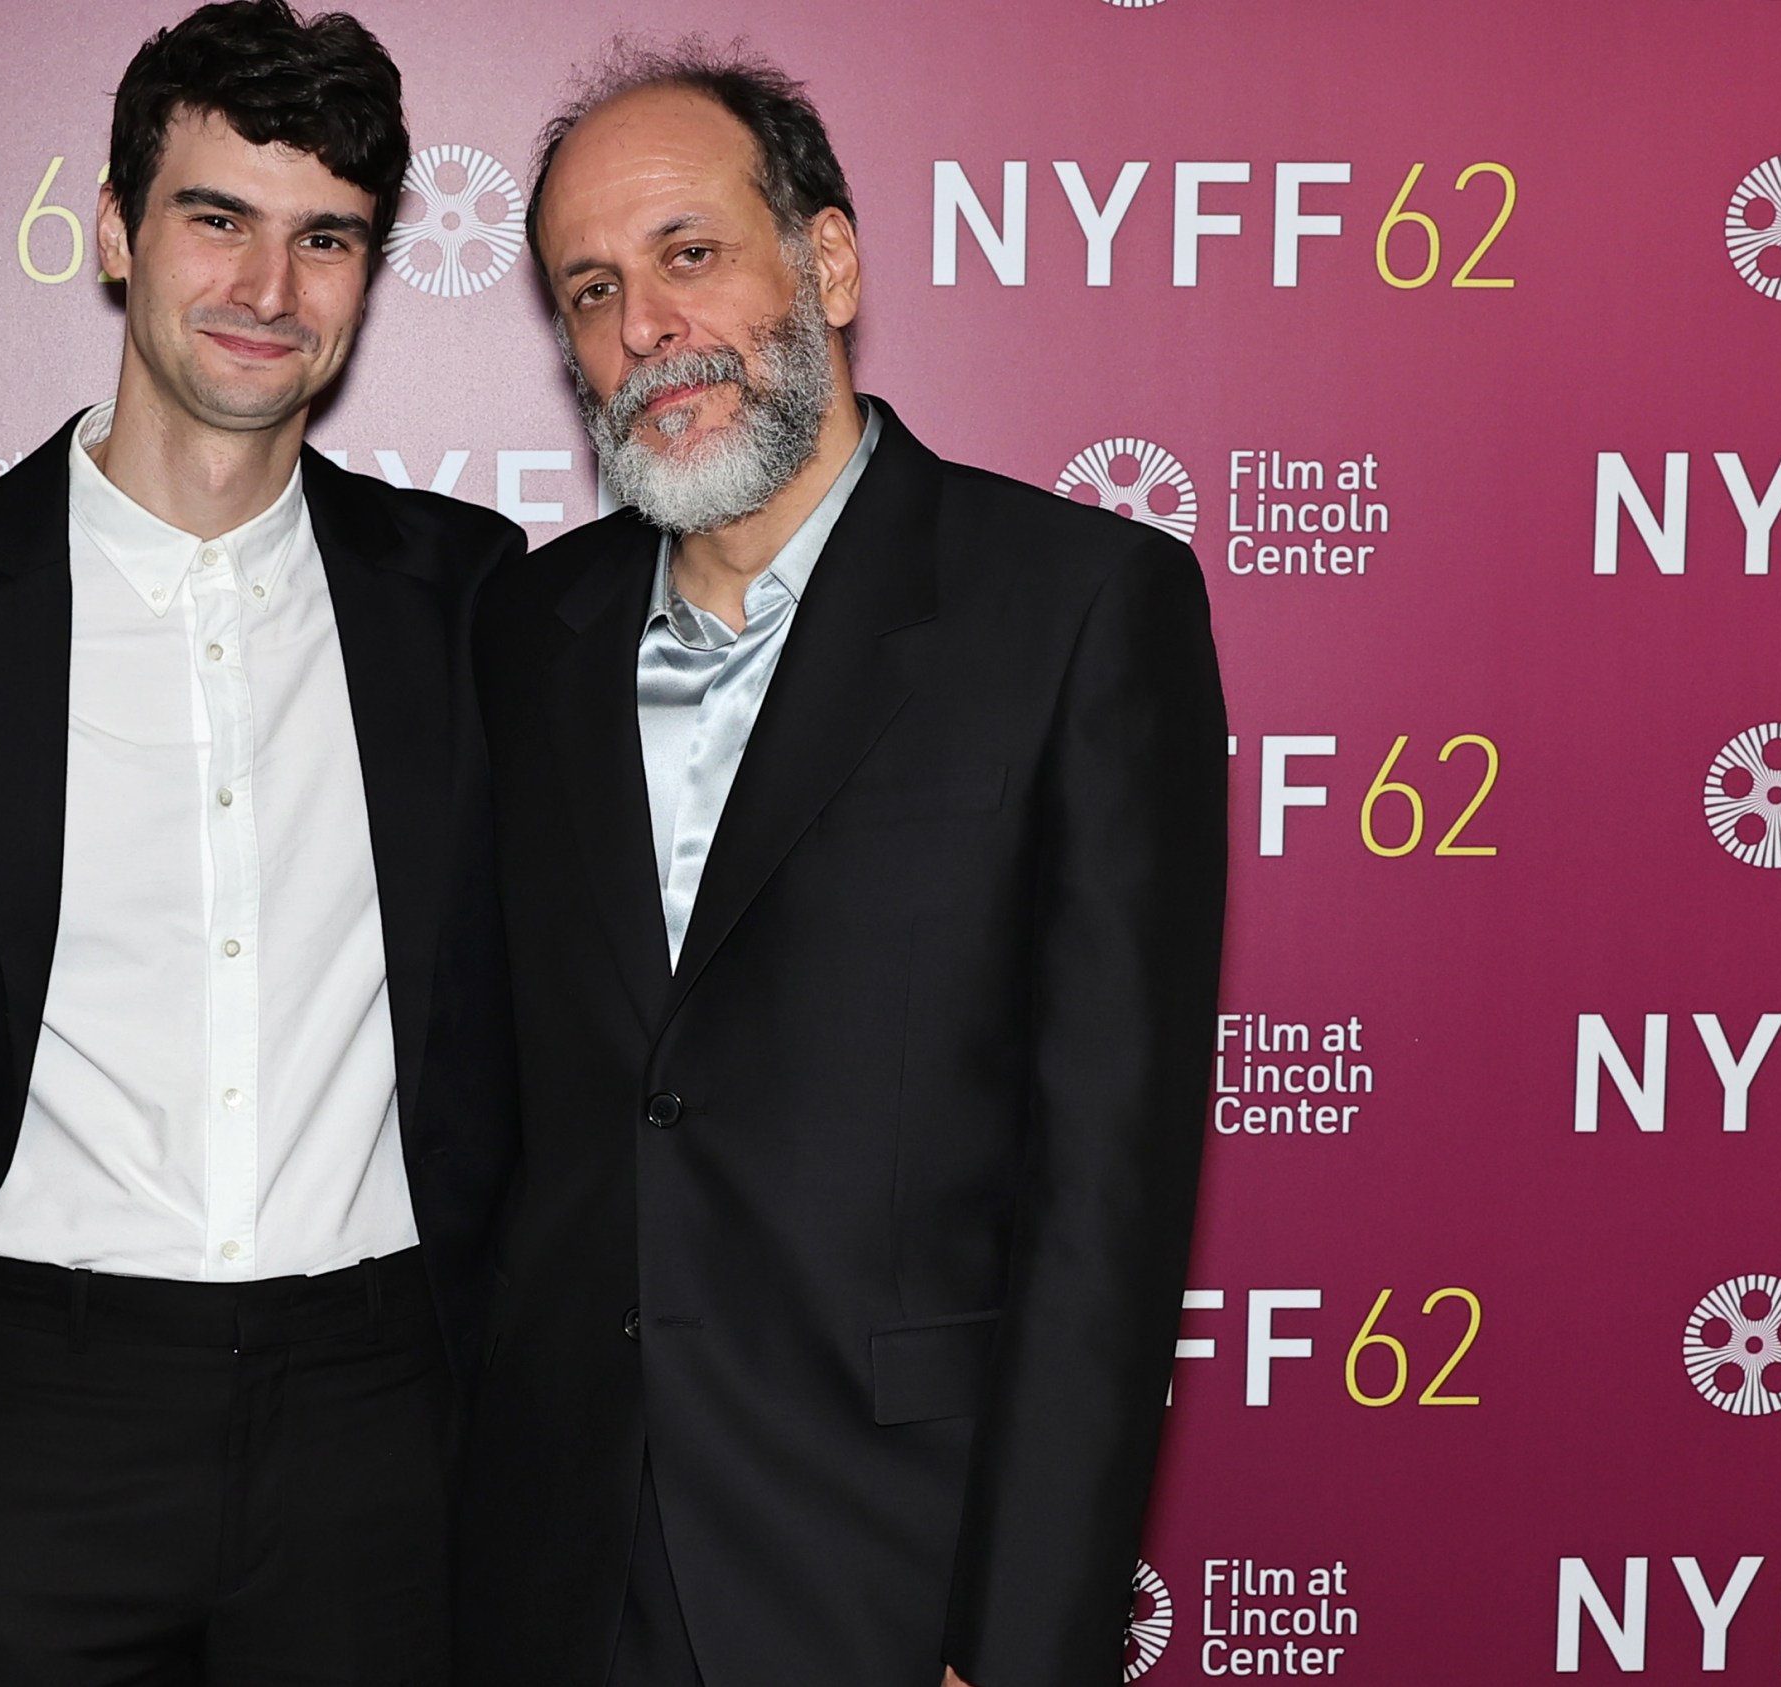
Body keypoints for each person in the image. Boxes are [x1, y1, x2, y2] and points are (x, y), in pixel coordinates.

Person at [0, 4, 518, 1680]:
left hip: (385, 1427)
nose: (269, 292)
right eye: (218, 219)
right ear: (116, 231)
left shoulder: (472, 599)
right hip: (21, 1428)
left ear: (370, 271)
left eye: (325, 239)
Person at [458, 41, 1229, 1687]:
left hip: (888, 1567)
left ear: (828, 262)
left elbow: (1109, 1195)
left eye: (689, 255)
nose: (645, 328)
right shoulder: (529, 632)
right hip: (556, 1570)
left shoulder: (1078, 610)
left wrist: (1015, 1643)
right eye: (589, 290)